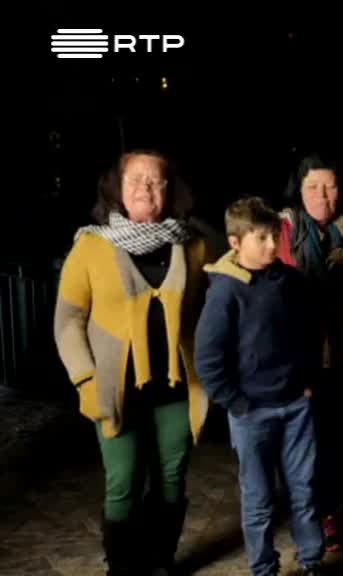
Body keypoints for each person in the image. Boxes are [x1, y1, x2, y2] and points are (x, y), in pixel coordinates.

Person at [54, 149, 211, 575]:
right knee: (123, 482)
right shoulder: (91, 245)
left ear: (170, 190)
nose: (146, 187)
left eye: (156, 181)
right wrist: (84, 378)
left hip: (178, 389)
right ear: (117, 188)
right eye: (136, 179)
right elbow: (68, 320)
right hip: (113, 390)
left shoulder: (193, 243)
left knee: (171, 479)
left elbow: (215, 308)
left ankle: (161, 561)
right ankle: (122, 567)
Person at [194, 197, 323, 575]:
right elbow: (208, 360)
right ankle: (264, 568)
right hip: (252, 413)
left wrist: (308, 382)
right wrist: (237, 403)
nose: (272, 245)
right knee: (259, 499)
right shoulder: (223, 292)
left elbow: (309, 333)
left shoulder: (290, 281)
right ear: (236, 243)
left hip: (296, 405)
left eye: (274, 236)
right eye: (261, 238)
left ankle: (312, 560)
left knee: (305, 489)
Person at [276, 153, 343, 551]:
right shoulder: (283, 227)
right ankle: (306, 512)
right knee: (300, 438)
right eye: (313, 186)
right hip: (298, 351)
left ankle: (332, 512)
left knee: (338, 435)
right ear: (299, 190)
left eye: (330, 186)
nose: (322, 195)